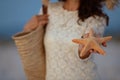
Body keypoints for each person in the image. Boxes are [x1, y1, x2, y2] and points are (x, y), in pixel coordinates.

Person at [19, 0, 118, 80]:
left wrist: (83, 50)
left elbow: (85, 50)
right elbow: (34, 43)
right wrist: (27, 28)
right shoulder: (49, 10)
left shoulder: (96, 18)